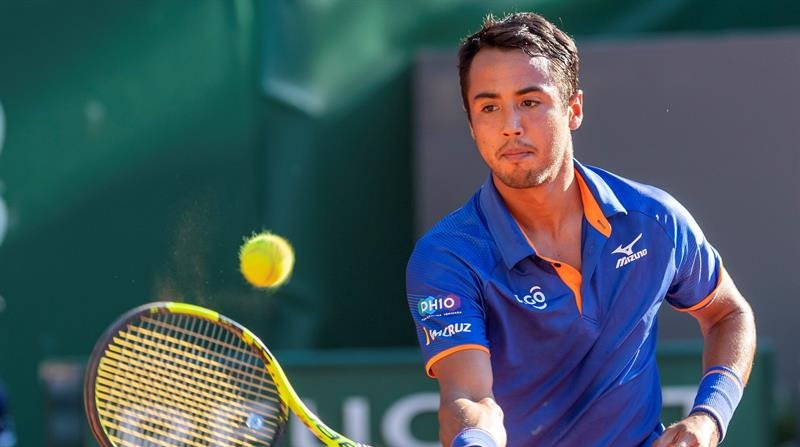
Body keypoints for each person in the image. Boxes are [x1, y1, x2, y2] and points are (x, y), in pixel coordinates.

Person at [405, 12, 756, 447]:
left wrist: (708, 417)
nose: (510, 125)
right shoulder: (447, 254)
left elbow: (728, 314)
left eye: (530, 101)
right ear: (472, 123)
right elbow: (469, 396)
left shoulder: (655, 221)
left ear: (574, 109)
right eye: (489, 106)